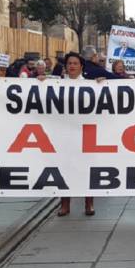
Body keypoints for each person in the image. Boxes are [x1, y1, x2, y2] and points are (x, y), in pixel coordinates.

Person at [57, 52, 97, 217]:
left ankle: (89, 203)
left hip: (85, 133)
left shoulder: (91, 85)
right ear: (66, 66)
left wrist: (103, 84)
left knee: (86, 168)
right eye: (69, 63)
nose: (72, 66)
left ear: (81, 66)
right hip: (64, 133)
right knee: (65, 168)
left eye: (75, 63)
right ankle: (65, 204)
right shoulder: (57, 84)